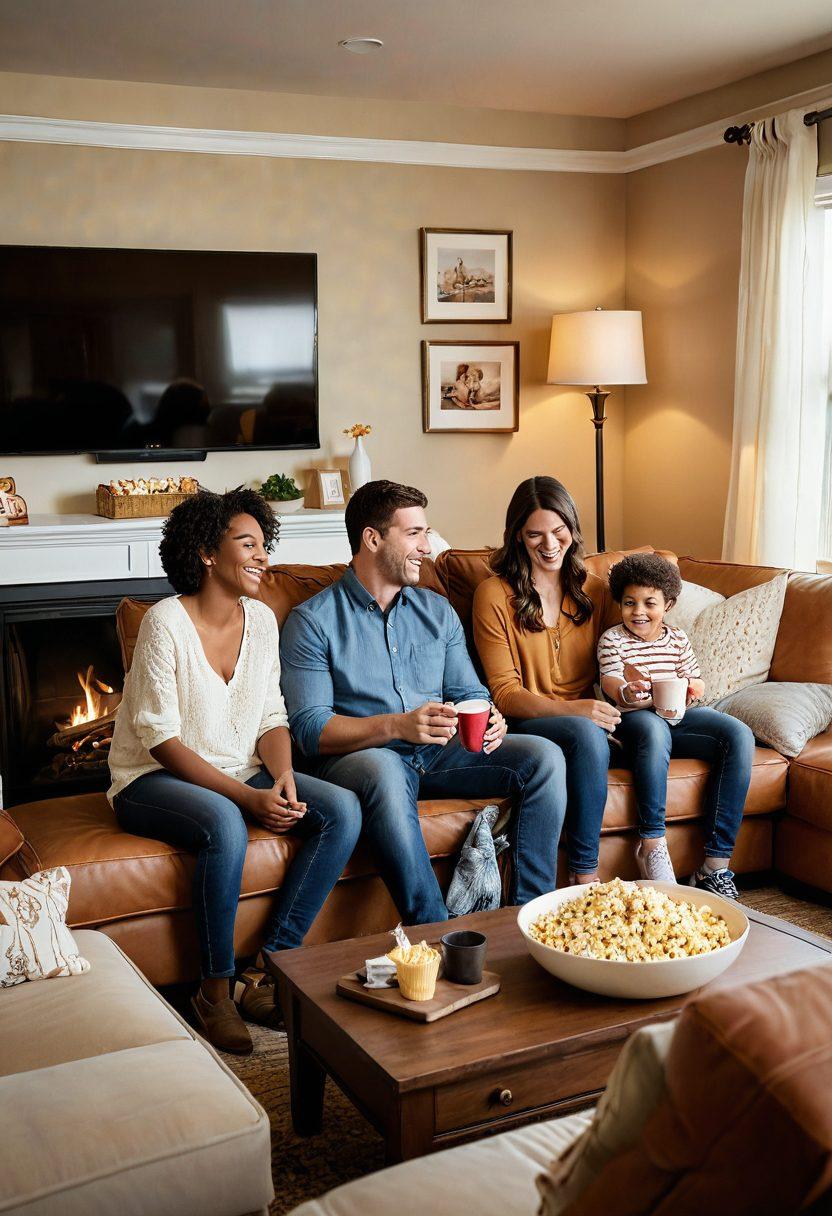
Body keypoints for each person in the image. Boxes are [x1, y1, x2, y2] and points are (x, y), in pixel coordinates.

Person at [107, 488, 361, 1055]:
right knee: (224, 823)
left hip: (239, 767)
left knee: (340, 809)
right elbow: (161, 739)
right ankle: (214, 992)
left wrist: (284, 777)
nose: (263, 557)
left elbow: (271, 715)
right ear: (205, 552)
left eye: (264, 544)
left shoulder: (265, 621)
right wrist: (249, 801)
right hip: (151, 776)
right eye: (247, 544)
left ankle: (268, 970)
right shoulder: (164, 623)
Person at [279, 479, 567, 926]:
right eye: (414, 534)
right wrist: (396, 726)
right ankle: (434, 931)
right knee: (384, 769)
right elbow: (311, 730)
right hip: (364, 757)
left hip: (440, 751)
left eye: (426, 533)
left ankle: (530, 919)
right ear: (372, 539)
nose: (427, 547)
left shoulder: (437, 610)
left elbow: (469, 693)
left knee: (544, 756)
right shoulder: (312, 622)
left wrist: (490, 718)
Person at [472, 476, 620, 885]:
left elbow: (617, 660)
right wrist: (577, 710)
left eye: (559, 532)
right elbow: (505, 692)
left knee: (696, 731)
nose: (550, 545)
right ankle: (584, 875)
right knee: (588, 734)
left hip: (591, 715)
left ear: (573, 529)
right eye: (535, 534)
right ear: (518, 537)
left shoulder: (597, 590)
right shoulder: (493, 595)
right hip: (529, 719)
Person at [599, 552, 753, 899]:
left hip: (676, 717)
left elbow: (695, 682)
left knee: (738, 734)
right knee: (653, 730)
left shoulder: (677, 639)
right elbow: (610, 684)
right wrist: (628, 690)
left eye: (649, 603)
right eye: (629, 603)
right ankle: (651, 845)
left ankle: (714, 867)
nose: (638, 612)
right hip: (634, 718)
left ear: (667, 604)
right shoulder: (613, 640)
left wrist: (692, 690)